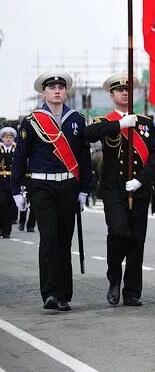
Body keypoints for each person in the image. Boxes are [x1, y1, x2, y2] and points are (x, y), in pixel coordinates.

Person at [12, 71, 92, 311]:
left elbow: (84, 157)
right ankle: (50, 293)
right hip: (41, 186)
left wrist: (84, 189)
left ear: (66, 91)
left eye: (61, 87)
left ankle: (64, 294)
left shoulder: (76, 118)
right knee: (49, 237)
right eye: (52, 87)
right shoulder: (31, 121)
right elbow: (20, 156)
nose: (57, 91)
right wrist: (16, 189)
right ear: (43, 92)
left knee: (64, 240)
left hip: (68, 185)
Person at [85, 73, 155, 306]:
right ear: (111, 95)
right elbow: (88, 136)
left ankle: (132, 291)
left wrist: (141, 180)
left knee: (137, 241)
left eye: (128, 90)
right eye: (119, 90)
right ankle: (114, 279)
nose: (124, 93)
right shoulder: (105, 122)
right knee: (118, 232)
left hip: (138, 189)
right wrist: (120, 124)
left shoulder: (145, 123)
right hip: (114, 190)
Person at [0, 127, 17, 238]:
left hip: (13, 181)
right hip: (1, 182)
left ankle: (7, 231)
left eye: (10, 137)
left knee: (11, 207)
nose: (8, 139)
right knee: (2, 205)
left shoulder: (16, 149)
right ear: (2, 138)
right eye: (6, 137)